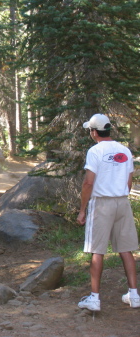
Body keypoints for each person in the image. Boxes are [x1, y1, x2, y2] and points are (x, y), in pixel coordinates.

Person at [77, 113, 139, 311]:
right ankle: (134, 295)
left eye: (90, 131)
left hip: (101, 203)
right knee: (126, 249)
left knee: (97, 250)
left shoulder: (95, 151)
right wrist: (119, 196)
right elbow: (129, 182)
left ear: (94, 132)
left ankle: (94, 298)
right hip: (122, 202)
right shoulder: (124, 150)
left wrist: (82, 210)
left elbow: (88, 183)